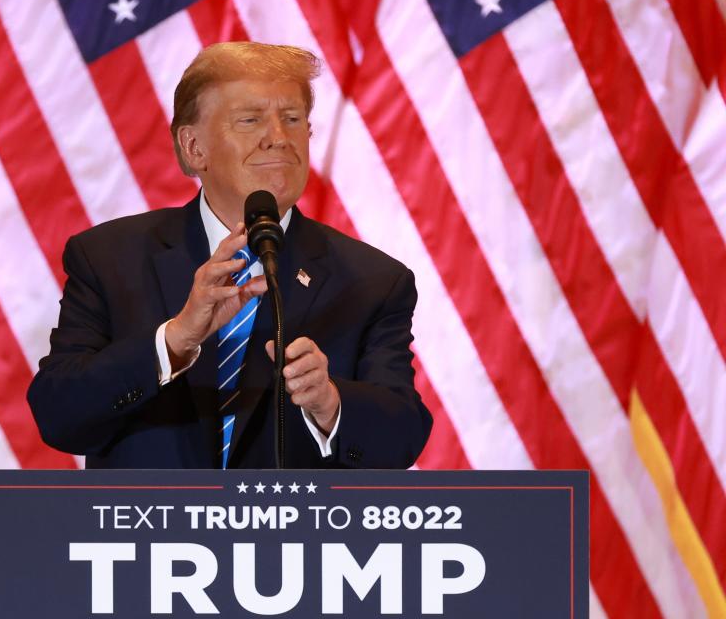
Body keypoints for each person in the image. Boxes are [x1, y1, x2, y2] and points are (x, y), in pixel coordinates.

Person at [27, 42, 431, 469]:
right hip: (145, 533)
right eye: (250, 119)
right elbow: (58, 416)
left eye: (292, 119)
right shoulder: (109, 259)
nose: (279, 138)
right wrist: (174, 341)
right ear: (193, 147)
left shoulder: (373, 282)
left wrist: (330, 405)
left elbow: (401, 439)